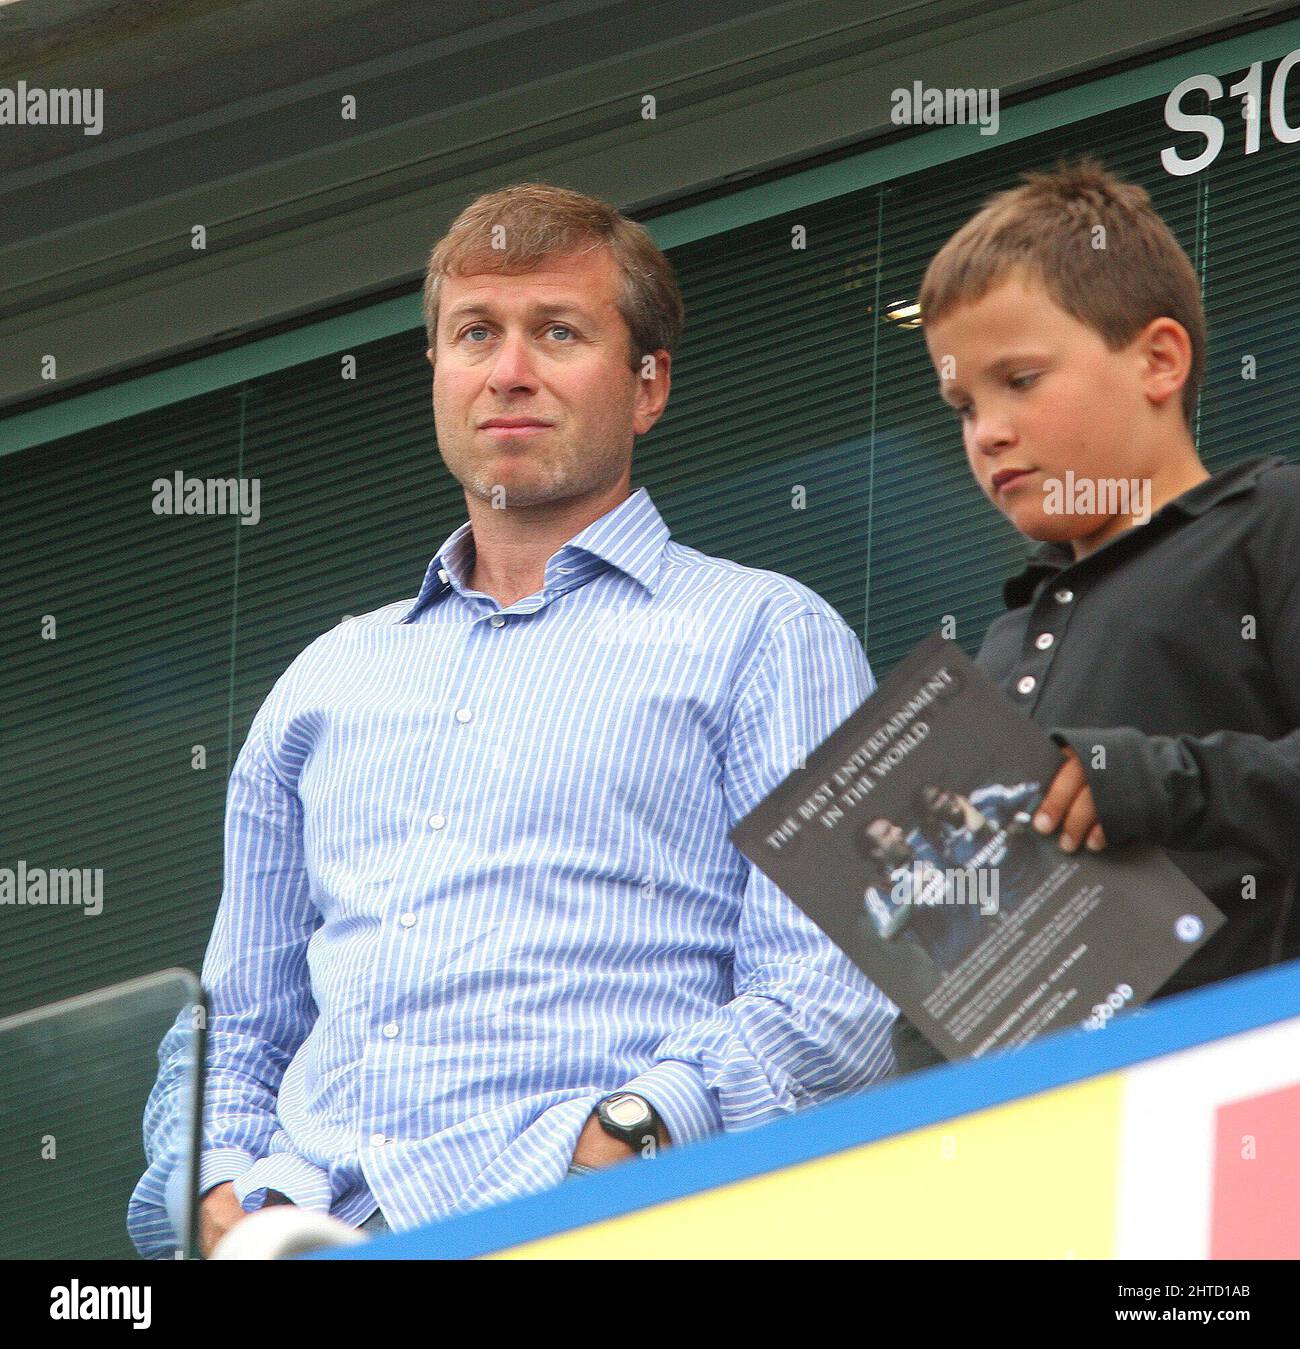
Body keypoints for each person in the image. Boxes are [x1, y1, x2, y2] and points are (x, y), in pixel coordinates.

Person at [127, 182, 895, 1258]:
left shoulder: (766, 634)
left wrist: (625, 1136)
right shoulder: (328, 676)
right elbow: (232, 1024)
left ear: (647, 386)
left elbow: (831, 998)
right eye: (475, 333)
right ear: (437, 372)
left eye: (559, 332)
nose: (509, 370)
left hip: (591, 1220)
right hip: (312, 1232)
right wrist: (214, 1195)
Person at [891, 156, 1300, 1073]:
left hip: (1239, 1094)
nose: (986, 430)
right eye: (963, 405)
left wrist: (1157, 779)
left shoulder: (1270, 522)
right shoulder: (1000, 641)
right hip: (1030, 1135)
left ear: (1159, 359)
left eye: (1021, 380)